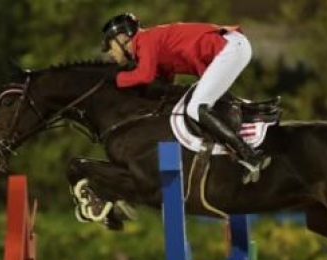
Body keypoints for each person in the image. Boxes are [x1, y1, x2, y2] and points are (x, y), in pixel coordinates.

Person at [101, 13, 271, 183]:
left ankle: (250, 155)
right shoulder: (147, 44)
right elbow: (165, 83)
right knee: (197, 104)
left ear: (123, 38)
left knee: (195, 107)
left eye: (110, 46)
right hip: (231, 47)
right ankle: (251, 120)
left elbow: (144, 76)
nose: (109, 53)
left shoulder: (145, 40)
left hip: (230, 48)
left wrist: (115, 79)